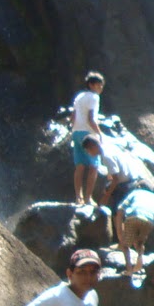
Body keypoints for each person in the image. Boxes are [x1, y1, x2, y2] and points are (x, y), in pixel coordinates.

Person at [115, 185, 154, 276]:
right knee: (139, 242)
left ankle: (129, 270)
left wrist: (119, 233)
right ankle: (140, 259)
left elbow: (120, 210)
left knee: (125, 245)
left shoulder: (135, 193)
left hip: (133, 215)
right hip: (150, 220)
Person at [70, 72, 105, 206]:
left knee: (79, 166)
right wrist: (99, 133)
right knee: (93, 166)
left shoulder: (79, 96)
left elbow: (73, 116)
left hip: (76, 132)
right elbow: (91, 119)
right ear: (91, 85)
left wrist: (73, 130)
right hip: (88, 134)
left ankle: (78, 197)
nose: (100, 88)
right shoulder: (94, 97)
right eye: (98, 85)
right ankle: (88, 198)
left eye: (101, 85)